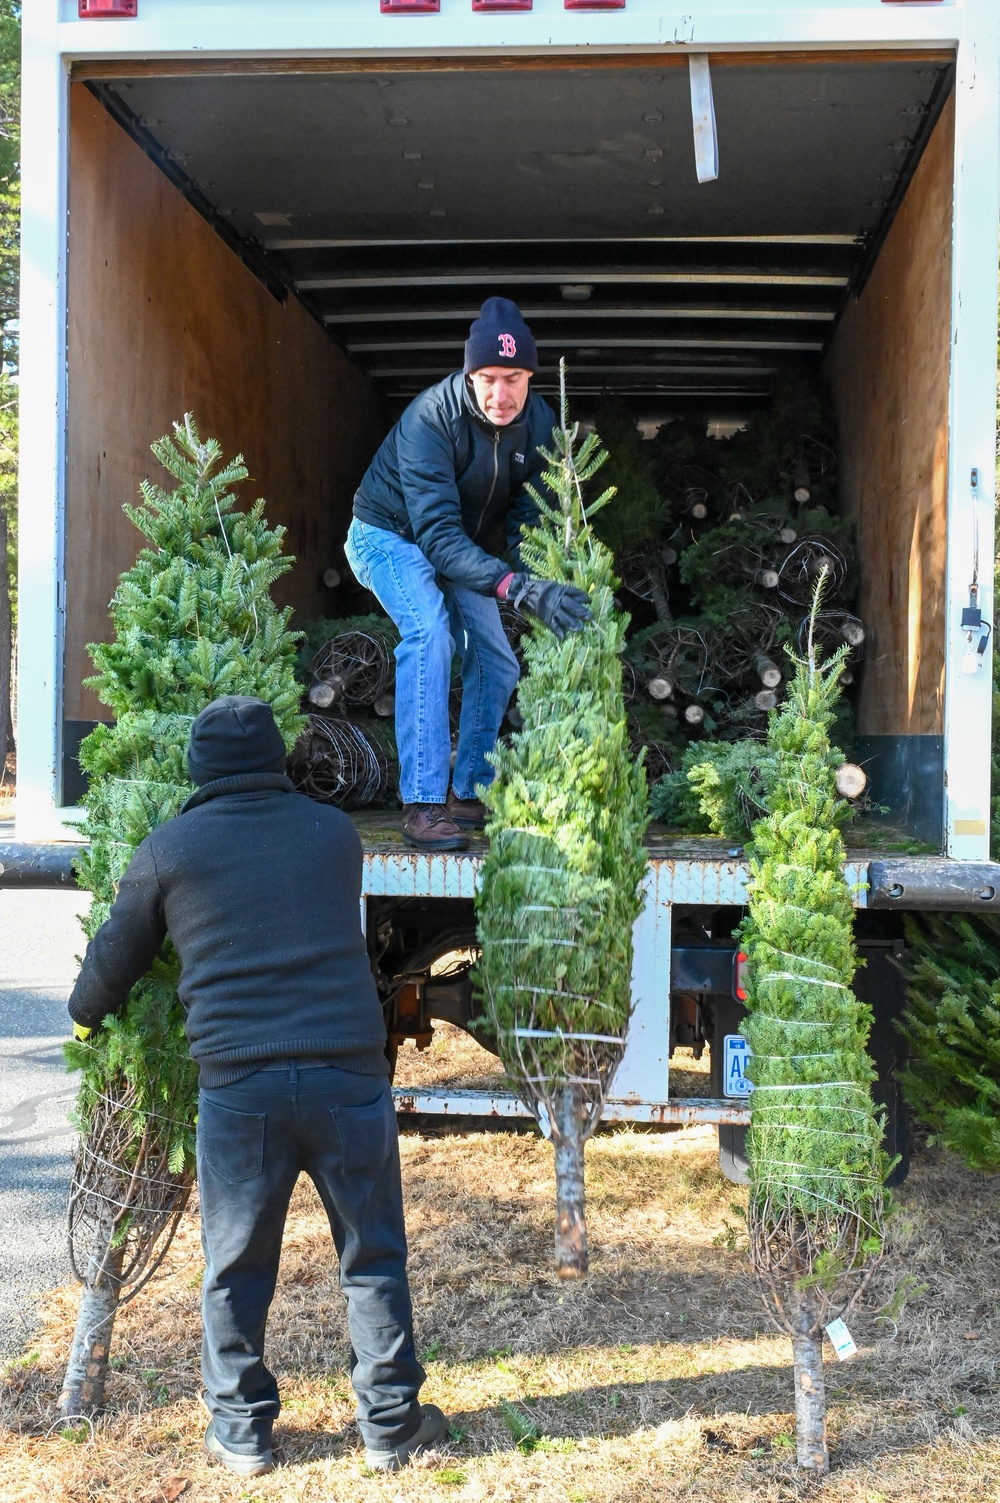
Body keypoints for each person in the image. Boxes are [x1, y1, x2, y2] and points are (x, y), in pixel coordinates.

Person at [67, 696, 444, 1477]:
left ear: (199, 769)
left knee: (236, 1265)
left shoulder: (170, 849)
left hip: (242, 1089)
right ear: (278, 760)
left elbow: (118, 952)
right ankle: (392, 1426)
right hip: (348, 1073)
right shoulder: (333, 835)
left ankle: (242, 1432)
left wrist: (84, 1016)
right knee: (372, 1253)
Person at [346, 296, 591, 853]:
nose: (499, 395)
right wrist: (517, 588)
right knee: (429, 634)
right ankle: (423, 804)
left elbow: (532, 514)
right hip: (389, 535)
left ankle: (468, 790)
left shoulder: (541, 423)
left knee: (498, 658)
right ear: (468, 374)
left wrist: (545, 579)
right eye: (486, 378)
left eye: (513, 378)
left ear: (530, 375)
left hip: (464, 545)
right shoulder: (431, 419)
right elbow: (435, 536)